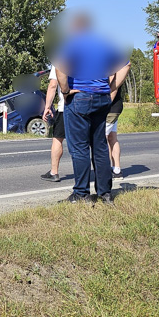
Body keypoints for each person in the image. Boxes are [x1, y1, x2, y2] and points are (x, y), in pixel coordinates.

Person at [53, 13, 130, 205]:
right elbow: (125, 64)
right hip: (102, 99)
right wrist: (112, 90)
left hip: (80, 98)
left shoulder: (73, 42)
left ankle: (81, 194)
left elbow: (60, 67)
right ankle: (105, 194)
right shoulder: (104, 42)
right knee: (100, 147)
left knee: (79, 147)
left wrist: (65, 90)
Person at [41, 65, 66, 182]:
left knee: (58, 139)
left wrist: (47, 107)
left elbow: (53, 85)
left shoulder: (60, 59)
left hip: (65, 107)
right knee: (86, 141)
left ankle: (54, 172)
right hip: (86, 106)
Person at [106, 72, 127, 179]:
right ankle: (117, 170)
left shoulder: (111, 66)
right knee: (112, 138)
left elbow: (113, 86)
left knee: (102, 139)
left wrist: (105, 105)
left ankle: (105, 170)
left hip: (109, 108)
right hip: (115, 107)